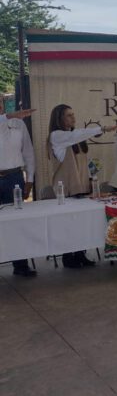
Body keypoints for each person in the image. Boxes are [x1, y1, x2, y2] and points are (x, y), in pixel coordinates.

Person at [48, 104, 117, 268]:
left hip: (81, 185)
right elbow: (80, 134)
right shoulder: (57, 136)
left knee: (81, 222)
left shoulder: (75, 137)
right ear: (59, 119)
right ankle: (68, 256)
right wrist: (103, 128)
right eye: (68, 115)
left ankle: (80, 254)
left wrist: (92, 177)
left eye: (73, 114)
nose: (73, 118)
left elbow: (84, 161)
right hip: (66, 188)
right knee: (69, 224)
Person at [0, 107, 37, 276]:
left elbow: (28, 151)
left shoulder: (18, 123)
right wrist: (7, 116)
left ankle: (20, 265)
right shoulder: (9, 118)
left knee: (16, 222)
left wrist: (29, 179)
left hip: (14, 177)